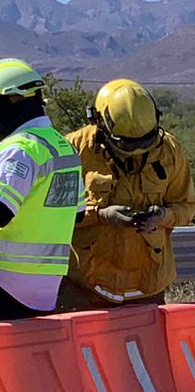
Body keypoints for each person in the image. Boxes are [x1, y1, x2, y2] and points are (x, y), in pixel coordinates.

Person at [0, 58, 85, 321]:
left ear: (17, 100)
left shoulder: (19, 149)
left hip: (0, 280)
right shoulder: (64, 148)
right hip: (45, 288)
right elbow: (78, 214)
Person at [60, 78, 195, 310]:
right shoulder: (72, 150)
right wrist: (100, 215)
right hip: (84, 287)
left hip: (147, 286)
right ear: (100, 124)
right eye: (128, 145)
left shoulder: (170, 151)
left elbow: (187, 207)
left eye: (146, 142)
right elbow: (52, 213)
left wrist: (162, 216)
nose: (137, 151)